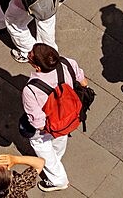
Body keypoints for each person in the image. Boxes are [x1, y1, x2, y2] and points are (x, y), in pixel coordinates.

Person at [21, 44, 88, 193]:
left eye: (30, 55)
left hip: (50, 124)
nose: (28, 53)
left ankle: (58, 180)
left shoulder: (31, 90)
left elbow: (38, 124)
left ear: (37, 67)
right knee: (60, 138)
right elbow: (84, 83)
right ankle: (56, 159)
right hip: (69, 118)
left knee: (40, 144)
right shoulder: (68, 63)